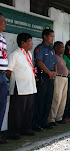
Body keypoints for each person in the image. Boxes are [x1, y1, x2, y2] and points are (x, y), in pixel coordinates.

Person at [7, 33, 36, 139]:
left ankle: (26, 128)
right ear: (22, 43)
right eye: (30, 41)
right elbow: (8, 71)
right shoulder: (15, 54)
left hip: (30, 86)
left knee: (28, 109)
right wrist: (16, 80)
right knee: (17, 110)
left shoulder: (29, 54)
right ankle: (14, 131)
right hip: (19, 87)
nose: (32, 44)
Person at [33, 29, 58, 131]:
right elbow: (39, 62)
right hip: (43, 76)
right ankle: (37, 124)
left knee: (48, 100)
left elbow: (55, 62)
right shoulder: (40, 48)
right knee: (40, 100)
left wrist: (55, 72)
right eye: (51, 36)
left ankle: (44, 122)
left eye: (53, 36)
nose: (52, 38)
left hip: (51, 76)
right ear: (45, 36)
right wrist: (49, 72)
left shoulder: (51, 50)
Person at [48, 41, 68, 126]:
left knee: (63, 99)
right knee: (56, 98)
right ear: (56, 48)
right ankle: (51, 119)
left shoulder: (62, 57)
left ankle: (59, 117)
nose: (63, 49)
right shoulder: (53, 56)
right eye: (61, 47)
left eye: (63, 47)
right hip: (58, 78)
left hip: (65, 78)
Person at [0, 12, 8, 144]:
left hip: (2, 76)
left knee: (1, 106)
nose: (5, 23)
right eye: (3, 21)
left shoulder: (2, 38)